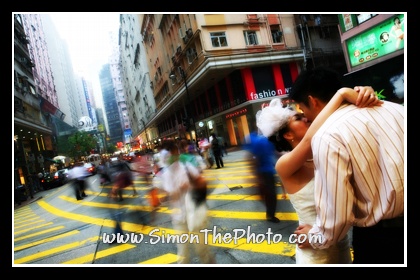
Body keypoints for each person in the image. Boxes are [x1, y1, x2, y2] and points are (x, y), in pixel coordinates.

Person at [288, 66, 404, 264]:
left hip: (383, 241)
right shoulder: (397, 109)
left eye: (302, 109)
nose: (305, 117)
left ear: (312, 101)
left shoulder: (327, 136)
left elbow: (337, 217)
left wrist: (315, 236)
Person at [258, 86, 378, 263]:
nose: (306, 118)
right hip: (314, 255)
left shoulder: (327, 151)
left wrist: (364, 93)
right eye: (298, 118)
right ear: (288, 134)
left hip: (342, 246)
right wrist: (342, 94)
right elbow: (308, 140)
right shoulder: (284, 164)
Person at [160, 139, 216, 264]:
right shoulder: (165, 174)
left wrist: (191, 185)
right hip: (179, 218)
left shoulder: (186, 167)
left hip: (195, 213)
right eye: (168, 154)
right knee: (183, 255)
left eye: (174, 153)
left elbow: (202, 182)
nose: (173, 156)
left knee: (202, 251)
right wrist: (167, 196)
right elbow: (165, 197)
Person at [244, 130, 280, 223]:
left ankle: (270, 213)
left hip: (267, 171)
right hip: (265, 172)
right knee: (271, 194)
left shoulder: (261, 140)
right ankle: (270, 215)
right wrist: (257, 177)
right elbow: (254, 158)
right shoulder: (262, 141)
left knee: (269, 194)